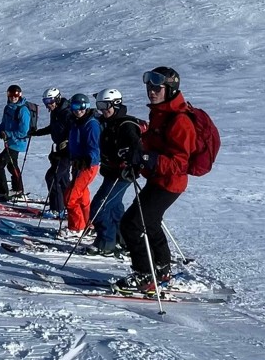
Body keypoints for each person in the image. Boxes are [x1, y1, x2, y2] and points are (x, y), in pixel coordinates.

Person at [115, 67, 197, 293]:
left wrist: (145, 158)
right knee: (149, 223)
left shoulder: (180, 121)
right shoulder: (160, 113)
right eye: (149, 87)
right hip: (158, 179)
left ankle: (144, 275)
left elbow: (180, 164)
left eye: (157, 88)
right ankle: (161, 268)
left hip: (170, 183)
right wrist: (136, 155)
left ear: (170, 90)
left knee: (132, 224)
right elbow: (152, 145)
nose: (151, 92)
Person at [85, 88, 143, 255]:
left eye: (105, 105)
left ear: (116, 104)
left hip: (122, 174)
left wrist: (130, 159)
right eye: (99, 106)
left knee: (99, 207)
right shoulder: (108, 123)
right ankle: (123, 240)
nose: (103, 110)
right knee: (114, 207)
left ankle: (106, 243)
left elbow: (136, 148)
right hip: (111, 172)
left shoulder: (126, 125)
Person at [30, 87, 72, 217]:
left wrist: (67, 141)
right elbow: (53, 128)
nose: (48, 104)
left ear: (57, 99)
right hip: (57, 151)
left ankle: (57, 209)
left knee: (52, 177)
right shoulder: (55, 112)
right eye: (45, 102)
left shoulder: (67, 113)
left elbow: (74, 131)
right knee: (63, 180)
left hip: (67, 152)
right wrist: (36, 133)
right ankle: (68, 207)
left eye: (50, 101)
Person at [62, 93, 100, 233]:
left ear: (87, 107)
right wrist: (63, 153)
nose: (78, 110)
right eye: (75, 106)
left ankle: (76, 228)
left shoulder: (91, 124)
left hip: (87, 166)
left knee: (70, 198)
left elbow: (95, 148)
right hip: (78, 164)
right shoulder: (76, 122)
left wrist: (86, 159)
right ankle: (89, 225)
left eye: (82, 107)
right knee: (82, 197)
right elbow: (75, 144)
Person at [0, 84, 31, 201]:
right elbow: (4, 124)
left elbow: (24, 131)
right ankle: (18, 189)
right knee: (12, 165)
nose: (13, 98)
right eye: (10, 95)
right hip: (10, 142)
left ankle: (2, 192)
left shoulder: (23, 110)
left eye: (15, 95)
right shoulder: (8, 108)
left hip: (17, 142)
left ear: (20, 95)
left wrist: (8, 134)